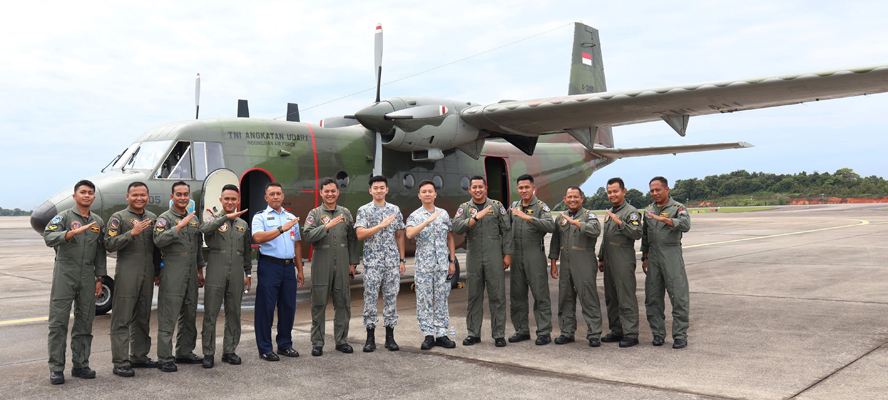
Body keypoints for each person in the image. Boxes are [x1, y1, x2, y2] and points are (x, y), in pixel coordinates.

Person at [43, 180, 106, 385]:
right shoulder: (64, 217)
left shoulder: (97, 221)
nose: (86, 195)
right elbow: (49, 236)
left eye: (90, 193)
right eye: (82, 192)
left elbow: (100, 253)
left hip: (88, 274)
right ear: (74, 196)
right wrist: (71, 233)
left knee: (85, 322)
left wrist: (99, 278)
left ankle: (81, 365)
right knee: (58, 323)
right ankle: (56, 368)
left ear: (93, 197)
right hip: (65, 272)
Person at [104, 182, 159, 378]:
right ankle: (120, 362)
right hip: (127, 272)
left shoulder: (153, 218)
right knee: (122, 318)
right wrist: (131, 234)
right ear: (127, 196)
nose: (139, 198)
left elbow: (156, 248)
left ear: (148, 196)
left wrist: (158, 271)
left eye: (143, 195)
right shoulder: (118, 218)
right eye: (135, 195)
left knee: (143, 316)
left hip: (148, 273)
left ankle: (139, 356)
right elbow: (108, 243)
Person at [452, 176, 512, 347]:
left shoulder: (496, 206)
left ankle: (499, 334)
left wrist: (507, 254)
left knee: (497, 295)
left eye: (480, 187)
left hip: (494, 254)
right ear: (469, 190)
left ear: (486, 188)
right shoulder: (464, 208)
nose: (477, 190)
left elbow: (506, 230)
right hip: (474, 255)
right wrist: (475, 218)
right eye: (474, 187)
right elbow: (457, 227)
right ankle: (473, 333)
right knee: (473, 296)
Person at [153, 181, 205, 372]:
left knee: (189, 312)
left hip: (191, 271)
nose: (183, 197)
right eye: (178, 194)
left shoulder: (194, 218)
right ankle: (164, 357)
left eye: (186, 194)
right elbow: (157, 241)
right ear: (171, 197)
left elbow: (198, 246)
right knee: (169, 314)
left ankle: (184, 352)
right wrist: (178, 227)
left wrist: (200, 271)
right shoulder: (164, 218)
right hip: (173, 269)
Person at [303, 177, 358, 356]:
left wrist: (352, 263)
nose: (330, 194)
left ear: (338, 192)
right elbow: (308, 236)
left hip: (342, 264)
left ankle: (341, 341)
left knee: (343, 303)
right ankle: (317, 342)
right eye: (326, 191)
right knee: (318, 303)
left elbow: (352, 239)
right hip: (321, 264)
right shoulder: (315, 213)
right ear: (321, 193)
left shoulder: (346, 213)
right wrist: (326, 227)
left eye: (333, 191)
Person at [200, 184, 252, 368]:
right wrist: (223, 218)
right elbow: (204, 230)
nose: (230, 202)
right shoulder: (212, 219)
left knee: (234, 312)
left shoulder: (243, 224)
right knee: (211, 313)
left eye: (233, 199)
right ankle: (208, 352)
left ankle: (229, 350)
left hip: (237, 272)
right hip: (216, 270)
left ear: (238, 201)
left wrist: (248, 273)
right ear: (221, 200)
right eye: (226, 199)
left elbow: (246, 251)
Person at [251, 183, 304, 361]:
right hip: (270, 265)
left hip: (289, 267)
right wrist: (282, 228)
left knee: (288, 307)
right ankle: (265, 348)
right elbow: (258, 237)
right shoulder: (261, 217)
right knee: (266, 308)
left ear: (283, 196)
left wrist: (300, 270)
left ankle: (285, 345)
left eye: (278, 194)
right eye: (271, 194)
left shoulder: (290, 217)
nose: (275, 197)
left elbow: (297, 244)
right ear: (266, 198)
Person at [355, 176, 406, 352]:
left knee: (391, 299)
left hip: (392, 263)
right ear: (370, 191)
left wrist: (401, 259)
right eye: (375, 188)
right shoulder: (364, 210)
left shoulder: (394, 210)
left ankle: (390, 338)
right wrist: (381, 225)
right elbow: (360, 234)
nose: (378, 191)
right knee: (370, 300)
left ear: (387, 190)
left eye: (381, 187)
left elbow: (399, 235)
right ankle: (370, 338)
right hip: (372, 264)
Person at [548, 186, 603, 348]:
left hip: (584, 263)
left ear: (582, 199)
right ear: (564, 199)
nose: (572, 200)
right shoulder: (560, 219)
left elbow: (595, 230)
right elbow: (555, 243)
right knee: (565, 298)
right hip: (565, 264)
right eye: (569, 197)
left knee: (588, 298)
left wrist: (576, 223)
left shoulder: (589, 216)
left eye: (576, 197)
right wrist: (553, 264)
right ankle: (566, 332)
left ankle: (594, 334)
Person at [406, 179, 457, 350]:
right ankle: (428, 335)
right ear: (419, 195)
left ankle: (442, 334)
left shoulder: (443, 214)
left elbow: (450, 237)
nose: (427, 194)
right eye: (424, 192)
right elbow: (409, 234)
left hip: (442, 264)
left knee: (442, 299)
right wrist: (427, 221)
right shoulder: (415, 215)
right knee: (424, 301)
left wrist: (452, 260)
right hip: (424, 267)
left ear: (435, 194)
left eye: (430, 191)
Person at [641, 176, 692, 349]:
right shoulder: (648, 210)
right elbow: (645, 237)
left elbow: (685, 225)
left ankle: (680, 335)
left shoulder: (677, 208)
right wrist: (645, 257)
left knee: (678, 296)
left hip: (671, 254)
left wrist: (665, 220)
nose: (654, 193)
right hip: (653, 255)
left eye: (658, 190)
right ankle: (658, 334)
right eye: (652, 190)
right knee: (653, 297)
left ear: (667, 189)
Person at [508, 174, 556, 345]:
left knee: (540, 294)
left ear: (533, 188)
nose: (523, 190)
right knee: (517, 295)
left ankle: (544, 331)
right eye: (520, 188)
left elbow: (551, 226)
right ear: (517, 189)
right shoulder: (514, 207)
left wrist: (528, 218)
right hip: (516, 255)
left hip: (534, 253)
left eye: (526, 187)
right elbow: (506, 228)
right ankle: (521, 330)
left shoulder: (541, 207)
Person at [598, 177, 643, 348]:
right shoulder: (610, 212)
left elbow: (637, 232)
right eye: (609, 192)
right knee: (611, 297)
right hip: (609, 260)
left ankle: (631, 333)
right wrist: (601, 258)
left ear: (624, 191)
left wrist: (619, 222)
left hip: (623, 260)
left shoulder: (630, 212)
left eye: (615, 191)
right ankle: (617, 330)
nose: (612, 194)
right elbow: (606, 238)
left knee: (626, 297)